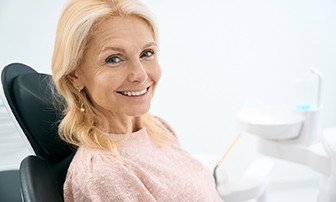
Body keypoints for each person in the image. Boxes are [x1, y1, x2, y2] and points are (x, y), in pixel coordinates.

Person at [51, 0, 223, 201]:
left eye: (146, 53)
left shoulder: (157, 128)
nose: (140, 75)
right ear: (75, 76)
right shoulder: (103, 173)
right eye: (114, 59)